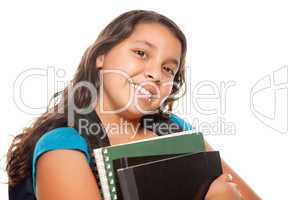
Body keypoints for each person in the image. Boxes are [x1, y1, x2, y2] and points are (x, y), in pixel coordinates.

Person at [6, 10, 261, 200]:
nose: (155, 73)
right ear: (101, 57)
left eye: (168, 68)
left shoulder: (176, 131)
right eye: (141, 53)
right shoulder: (62, 145)